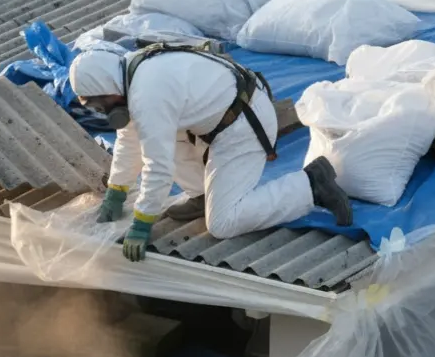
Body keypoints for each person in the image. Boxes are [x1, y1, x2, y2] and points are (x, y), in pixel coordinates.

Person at [68, 46, 353, 262]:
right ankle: (201, 193)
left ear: (109, 88)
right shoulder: (130, 74)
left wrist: (143, 223)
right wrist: (116, 191)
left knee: (222, 223)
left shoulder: (148, 93)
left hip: (243, 126)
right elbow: (130, 141)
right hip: (218, 120)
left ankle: (310, 185)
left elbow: (158, 167)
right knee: (155, 137)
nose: (104, 113)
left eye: (101, 105)